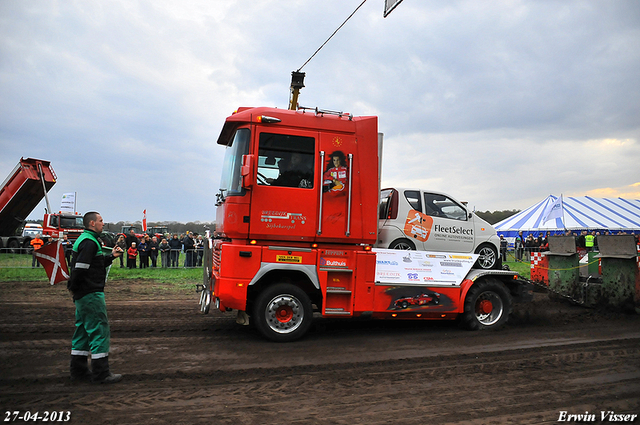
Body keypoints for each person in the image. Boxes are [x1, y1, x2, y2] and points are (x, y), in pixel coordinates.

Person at [67, 211, 123, 384]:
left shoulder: (86, 240)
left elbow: (93, 265)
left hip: (83, 294)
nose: (103, 223)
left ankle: (79, 372)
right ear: (92, 223)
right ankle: (101, 373)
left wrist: (111, 257)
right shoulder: (90, 242)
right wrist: (75, 288)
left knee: (83, 332)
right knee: (99, 330)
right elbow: (80, 269)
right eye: (100, 221)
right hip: (90, 293)